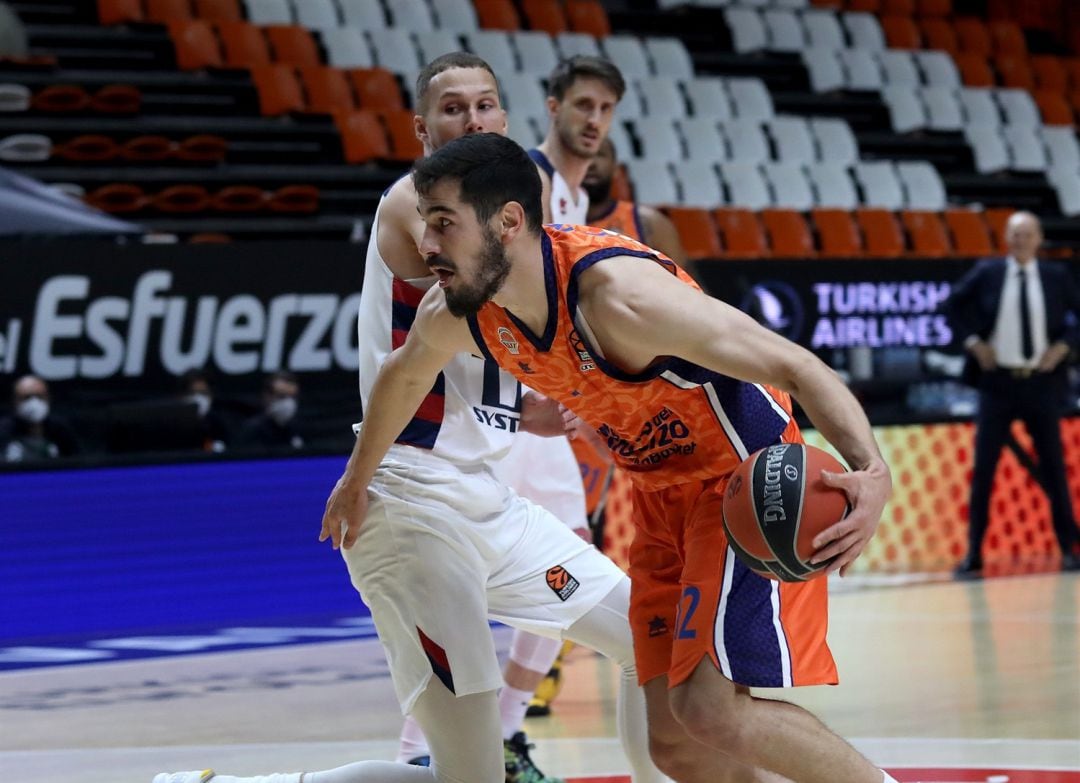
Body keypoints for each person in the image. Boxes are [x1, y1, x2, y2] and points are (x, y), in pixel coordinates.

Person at [321, 132, 897, 782]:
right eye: (426, 225)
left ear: (509, 222)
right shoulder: (465, 311)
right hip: (656, 496)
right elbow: (402, 376)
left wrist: (872, 470)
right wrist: (356, 479)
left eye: (444, 225)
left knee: (709, 710)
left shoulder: (620, 297)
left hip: (737, 479)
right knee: (675, 744)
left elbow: (794, 363)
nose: (426, 246)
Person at [154, 55, 662, 783]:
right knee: (474, 775)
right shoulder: (413, 206)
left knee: (651, 636)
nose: (474, 119)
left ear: (507, 119)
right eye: (453, 109)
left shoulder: (515, 211)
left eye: (486, 104)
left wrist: (531, 407)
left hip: (488, 501)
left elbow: (507, 339)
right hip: (411, 502)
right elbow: (501, 311)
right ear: (424, 129)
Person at [944, 210, 1080, 577]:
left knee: (1053, 467)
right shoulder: (988, 272)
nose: (1021, 241)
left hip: (1040, 383)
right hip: (997, 383)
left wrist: (1064, 347)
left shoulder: (1055, 276)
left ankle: (1070, 548)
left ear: (1038, 239)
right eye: (1015, 235)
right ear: (1007, 239)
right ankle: (973, 554)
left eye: (1027, 234)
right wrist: (973, 342)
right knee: (985, 470)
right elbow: (951, 306)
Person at [530, 55, 624, 226]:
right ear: (554, 107)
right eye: (584, 105)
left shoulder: (580, 197)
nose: (595, 120)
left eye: (606, 108)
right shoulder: (530, 180)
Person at [583, 137, 687, 267]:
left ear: (616, 169)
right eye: (583, 155)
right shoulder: (553, 220)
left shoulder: (650, 222)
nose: (591, 163)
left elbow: (680, 283)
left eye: (600, 155)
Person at [0, 374, 80, 462]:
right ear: (15, 401)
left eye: (40, 397)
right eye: (26, 398)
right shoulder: (3, 431)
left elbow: (77, 462)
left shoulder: (61, 431)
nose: (34, 403)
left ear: (48, 398)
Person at [236, 371, 304, 451]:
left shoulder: (299, 428)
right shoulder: (252, 430)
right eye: (282, 396)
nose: (288, 402)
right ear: (267, 396)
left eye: (292, 397)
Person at [178, 369, 230, 453]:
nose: (198, 399)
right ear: (181, 396)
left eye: (204, 393)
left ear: (211, 396)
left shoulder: (221, 426)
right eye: (192, 393)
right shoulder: (172, 429)